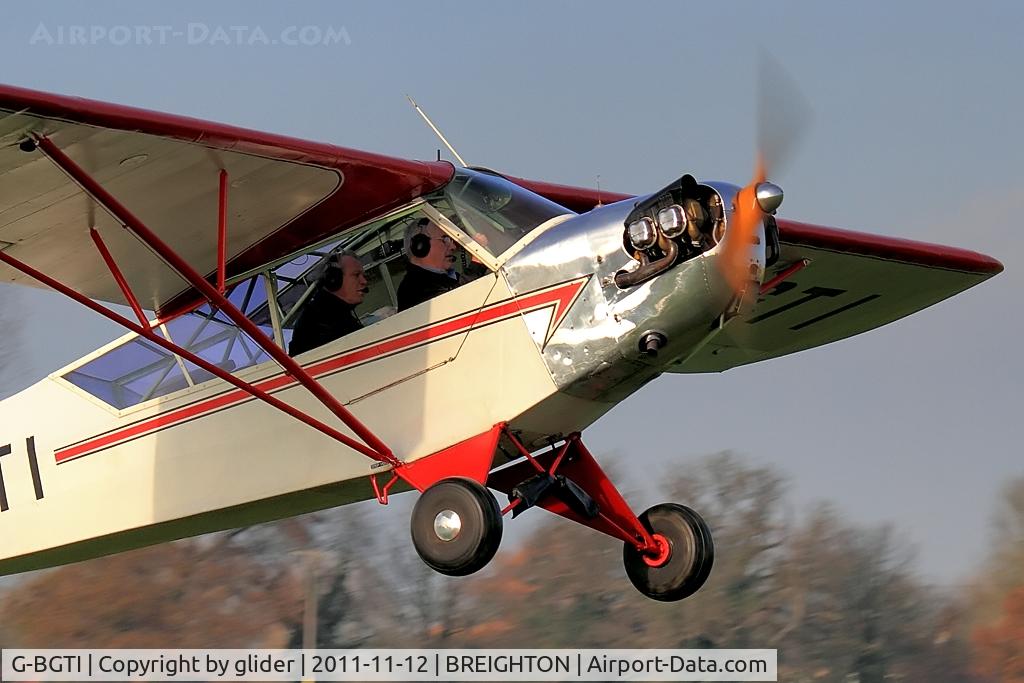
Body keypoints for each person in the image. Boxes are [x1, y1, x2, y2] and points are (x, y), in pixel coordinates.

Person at [288, 251, 369, 356]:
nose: (364, 281)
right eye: (356, 275)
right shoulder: (317, 321)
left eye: (363, 275)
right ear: (334, 279)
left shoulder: (338, 315)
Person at [396, 218, 462, 311]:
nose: (453, 246)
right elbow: (455, 303)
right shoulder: (413, 288)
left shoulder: (450, 277)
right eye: (445, 240)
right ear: (420, 245)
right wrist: (476, 266)